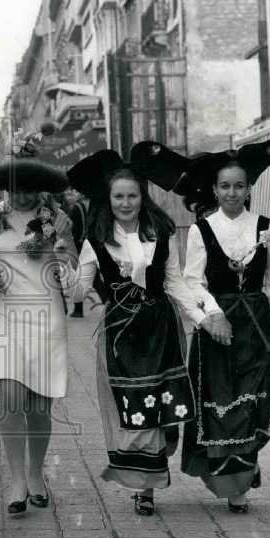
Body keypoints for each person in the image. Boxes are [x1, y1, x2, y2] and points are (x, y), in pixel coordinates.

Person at [69, 147, 200, 516]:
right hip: (121, 334)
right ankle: (146, 489)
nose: (126, 203)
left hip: (161, 327)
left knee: (160, 403)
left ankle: (162, 443)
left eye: (132, 195)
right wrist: (61, 262)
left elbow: (175, 283)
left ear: (143, 197)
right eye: (118, 196)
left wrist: (205, 318)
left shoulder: (161, 232)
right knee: (134, 407)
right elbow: (79, 291)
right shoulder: (95, 241)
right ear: (108, 200)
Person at [0, 135, 77, 515]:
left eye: (29, 188)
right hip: (4, 315)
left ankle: (37, 474)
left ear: (41, 187)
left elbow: (72, 264)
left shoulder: (58, 219)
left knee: (39, 405)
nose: (21, 196)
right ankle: (17, 480)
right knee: (11, 397)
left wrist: (61, 254)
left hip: (46, 315)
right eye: (14, 188)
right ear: (5, 187)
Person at [177, 141, 270, 513]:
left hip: (256, 324)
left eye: (239, 186)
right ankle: (233, 486)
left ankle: (241, 478)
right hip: (218, 327)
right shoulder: (201, 231)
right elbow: (192, 281)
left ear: (249, 189)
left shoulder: (266, 227)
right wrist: (213, 315)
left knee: (254, 399)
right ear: (215, 190)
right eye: (225, 186)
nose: (232, 192)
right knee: (224, 403)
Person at [62, 188, 90, 317]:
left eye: (73, 192)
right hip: (81, 244)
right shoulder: (84, 205)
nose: (71, 196)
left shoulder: (75, 208)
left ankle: (74, 308)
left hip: (74, 246)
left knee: (74, 277)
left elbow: (74, 229)